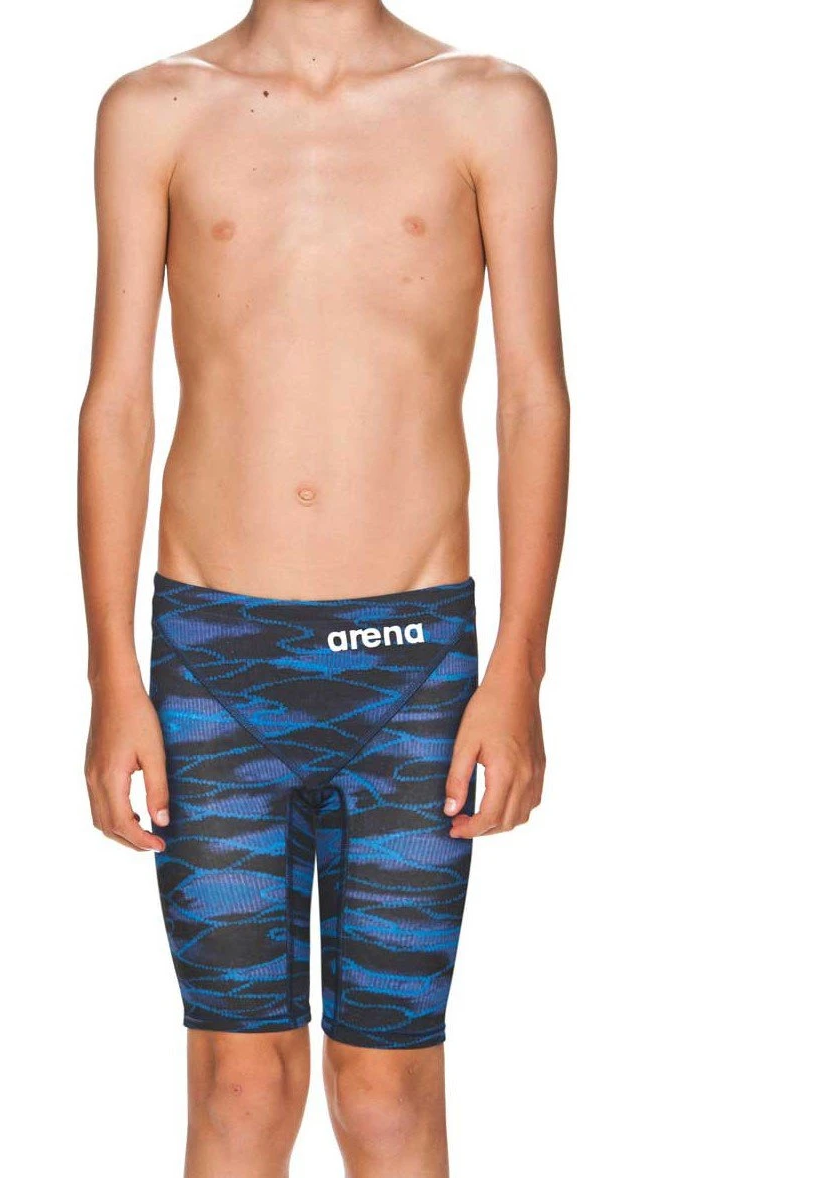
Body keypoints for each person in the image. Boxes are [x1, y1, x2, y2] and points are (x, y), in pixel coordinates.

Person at [78, 1, 568, 1174]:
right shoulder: (155, 108)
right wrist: (111, 678)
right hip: (212, 663)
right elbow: (118, 404)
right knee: (239, 1083)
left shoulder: (489, 104)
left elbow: (532, 397)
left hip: (412, 673)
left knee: (387, 1089)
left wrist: (518, 668)